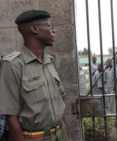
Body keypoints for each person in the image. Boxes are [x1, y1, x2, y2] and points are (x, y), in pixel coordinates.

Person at [0, 10, 71, 141]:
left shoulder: (50, 61)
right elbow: (11, 116)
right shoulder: (13, 65)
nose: (54, 31)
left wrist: (67, 136)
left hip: (60, 135)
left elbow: (58, 102)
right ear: (34, 29)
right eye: (50, 26)